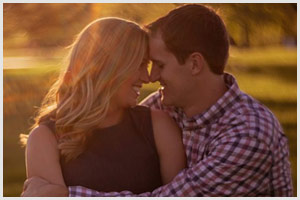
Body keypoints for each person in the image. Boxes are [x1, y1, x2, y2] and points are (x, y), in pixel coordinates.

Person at [23, 4, 293, 197]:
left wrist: (65, 195)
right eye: (142, 64)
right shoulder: (164, 107)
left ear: (195, 64)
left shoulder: (248, 132)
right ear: (110, 69)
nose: (150, 76)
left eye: (157, 65)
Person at [20, 17, 186, 197]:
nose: (147, 78)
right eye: (140, 65)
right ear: (108, 67)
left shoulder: (159, 126)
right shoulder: (45, 139)